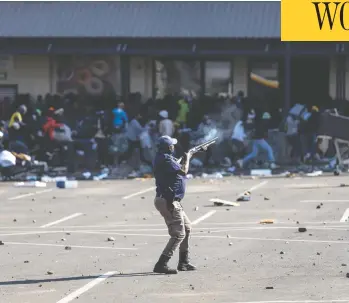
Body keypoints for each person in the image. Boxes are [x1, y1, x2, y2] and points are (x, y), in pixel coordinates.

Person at [153, 135, 196, 274]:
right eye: (172, 145)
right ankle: (161, 264)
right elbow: (183, 171)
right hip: (168, 201)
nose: (174, 147)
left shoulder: (163, 158)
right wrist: (188, 157)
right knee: (178, 234)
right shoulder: (165, 159)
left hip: (171, 200)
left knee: (187, 228)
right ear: (169, 147)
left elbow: (176, 169)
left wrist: (185, 158)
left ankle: (183, 262)